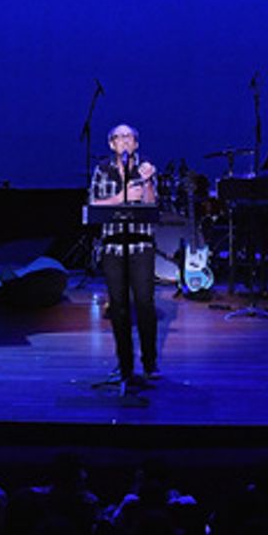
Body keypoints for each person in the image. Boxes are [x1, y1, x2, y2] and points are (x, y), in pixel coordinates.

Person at [88, 123, 160, 390]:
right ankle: (126, 364)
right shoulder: (102, 170)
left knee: (144, 304)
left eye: (129, 136)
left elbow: (152, 205)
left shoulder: (146, 169)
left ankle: (150, 363)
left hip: (141, 246)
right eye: (119, 137)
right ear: (111, 144)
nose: (125, 141)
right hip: (113, 247)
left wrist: (149, 181)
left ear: (136, 143)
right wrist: (121, 198)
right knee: (118, 307)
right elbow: (93, 205)